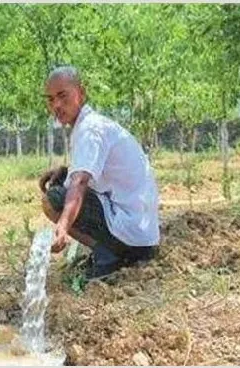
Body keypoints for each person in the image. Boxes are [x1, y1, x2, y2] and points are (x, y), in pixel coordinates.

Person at [39, 65, 160, 280]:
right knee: (62, 186)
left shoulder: (90, 130)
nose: (56, 105)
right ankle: (111, 251)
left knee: (54, 199)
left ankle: (109, 256)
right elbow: (90, 173)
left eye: (62, 96)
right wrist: (66, 171)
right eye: (50, 99)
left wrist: (63, 226)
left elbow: (80, 183)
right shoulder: (91, 125)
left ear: (81, 93)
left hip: (133, 234)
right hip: (142, 233)